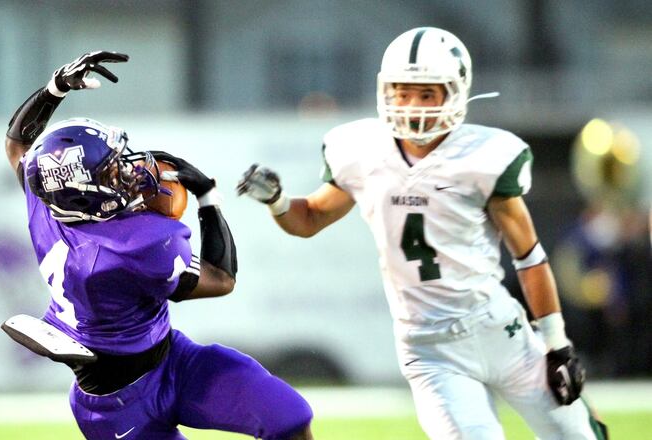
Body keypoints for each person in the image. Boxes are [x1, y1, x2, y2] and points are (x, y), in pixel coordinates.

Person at [237, 27, 607, 439]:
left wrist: (557, 343)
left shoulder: (483, 157)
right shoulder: (363, 151)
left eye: (427, 94)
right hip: (430, 349)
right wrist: (278, 201)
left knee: (580, 435)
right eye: (402, 91)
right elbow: (309, 220)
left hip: (499, 328)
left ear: (455, 93)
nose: (412, 106)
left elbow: (529, 257)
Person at [2, 51, 313, 440]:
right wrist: (208, 197)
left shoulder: (49, 203)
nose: (130, 171)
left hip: (173, 361)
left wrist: (55, 88)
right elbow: (221, 279)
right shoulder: (135, 247)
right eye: (113, 171)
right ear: (85, 193)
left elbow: (17, 145)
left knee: (289, 418)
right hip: (119, 407)